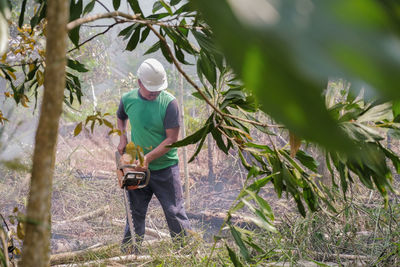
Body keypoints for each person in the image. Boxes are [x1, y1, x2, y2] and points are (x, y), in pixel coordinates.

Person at [116, 58, 191, 253]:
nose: (154, 93)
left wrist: (147, 159)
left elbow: (172, 140)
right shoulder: (128, 99)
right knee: (134, 213)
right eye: (151, 90)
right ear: (140, 82)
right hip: (136, 164)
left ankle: (186, 253)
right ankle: (129, 254)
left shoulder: (169, 104)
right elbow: (121, 116)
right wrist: (122, 138)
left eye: (158, 89)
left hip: (165, 167)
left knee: (174, 212)